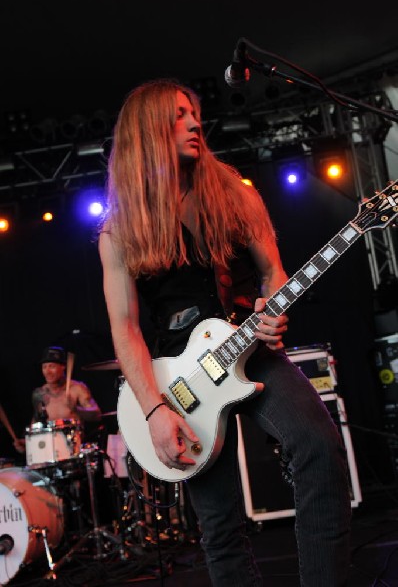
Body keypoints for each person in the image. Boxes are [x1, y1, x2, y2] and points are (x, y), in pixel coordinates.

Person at [98, 79, 352, 586]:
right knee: (220, 529)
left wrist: (271, 308)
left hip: (248, 347)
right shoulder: (120, 229)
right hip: (179, 383)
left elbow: (273, 273)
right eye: (178, 116)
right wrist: (154, 410)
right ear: (148, 132)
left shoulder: (234, 193)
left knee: (320, 449)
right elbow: (125, 329)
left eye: (194, 113)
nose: (195, 123)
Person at [31, 345, 101, 425]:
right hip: (48, 437)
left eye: (52, 366)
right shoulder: (40, 393)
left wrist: (76, 409)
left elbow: (97, 415)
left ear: (63, 366)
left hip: (73, 436)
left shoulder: (77, 388)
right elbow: (35, 422)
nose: (47, 372)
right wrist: (29, 436)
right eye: (44, 367)